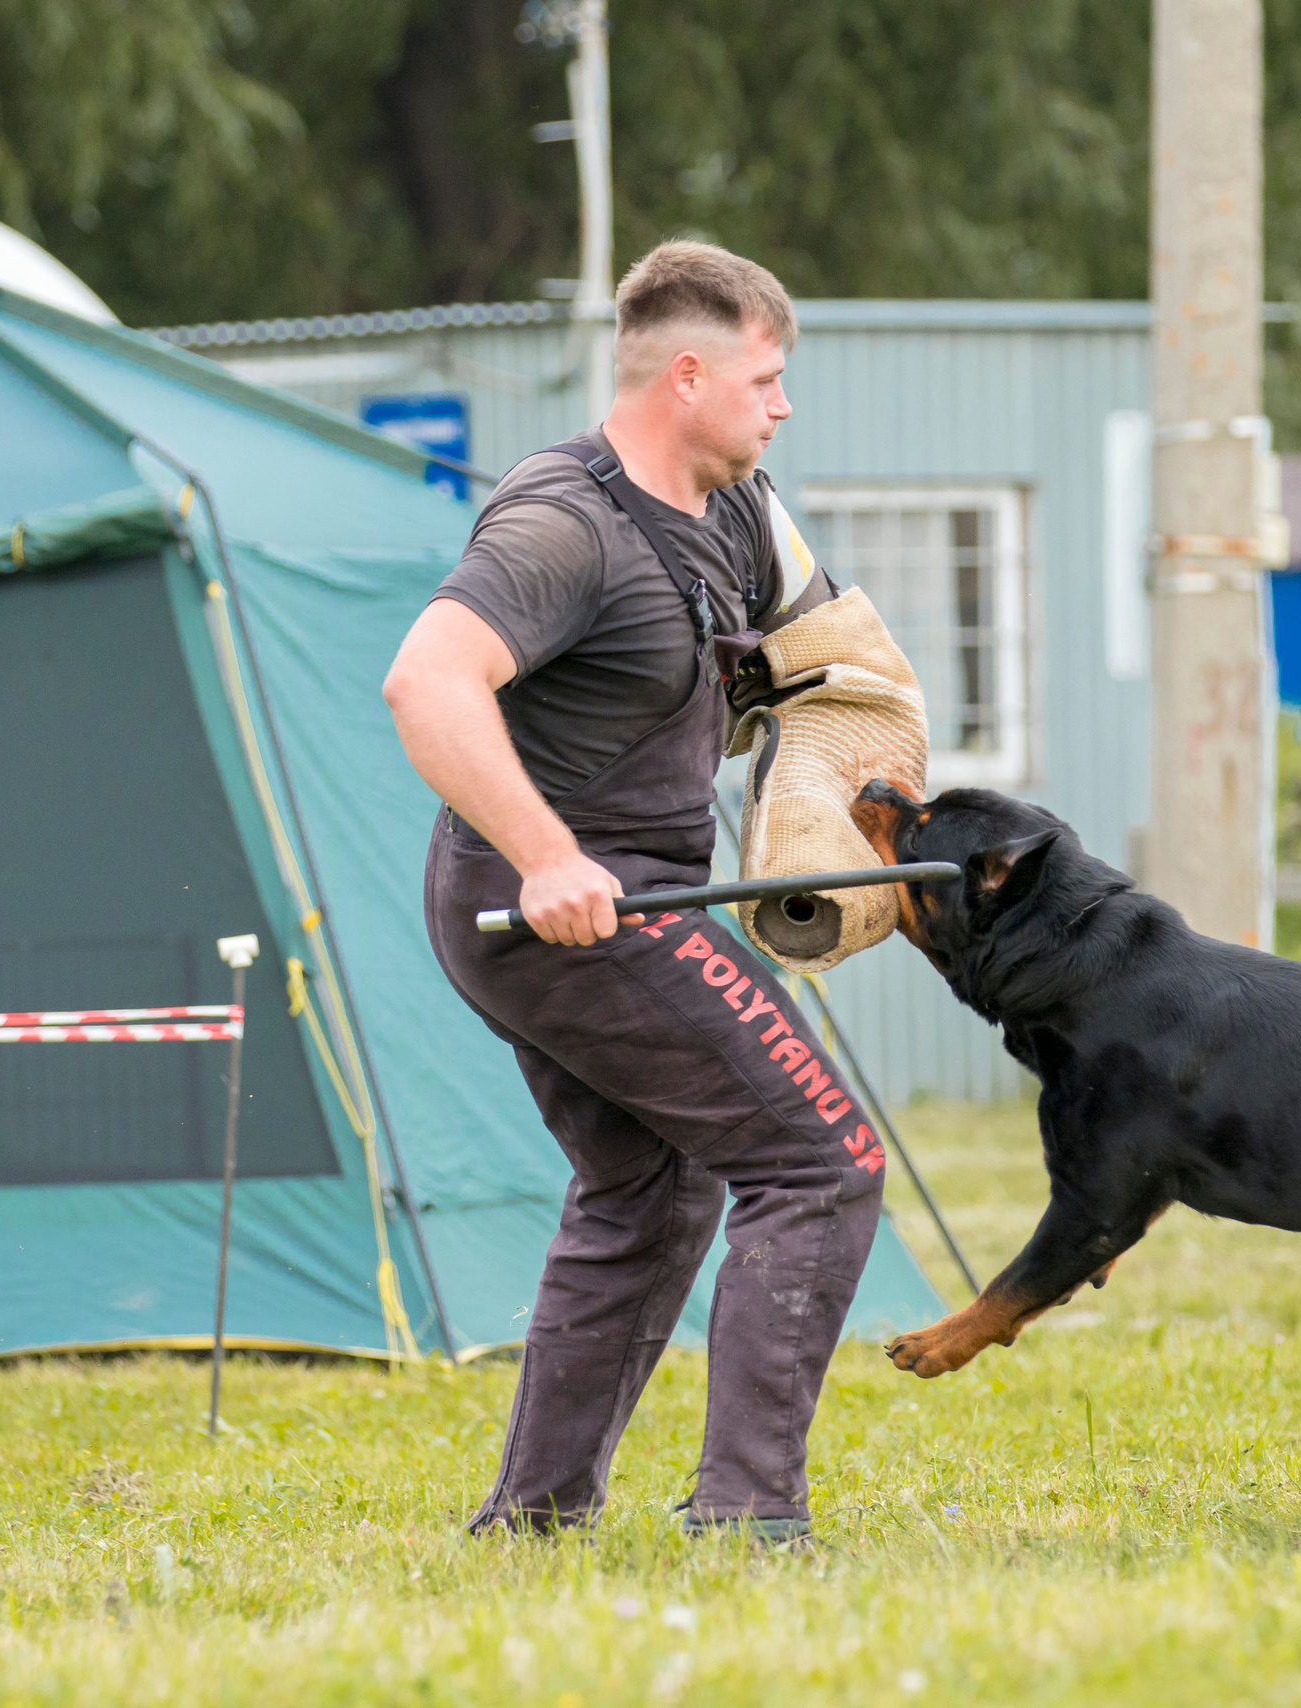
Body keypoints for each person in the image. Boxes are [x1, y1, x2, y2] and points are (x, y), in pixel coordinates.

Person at [385, 242, 882, 1544]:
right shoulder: (564, 523)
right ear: (688, 372)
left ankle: (537, 1521)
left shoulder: (734, 506)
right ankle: (747, 1519)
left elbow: (838, 669)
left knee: (652, 1190)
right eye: (766, 379)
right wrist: (551, 855)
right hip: (546, 901)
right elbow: (427, 684)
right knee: (819, 1163)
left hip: (639, 895)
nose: (782, 405)